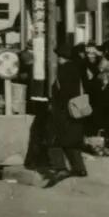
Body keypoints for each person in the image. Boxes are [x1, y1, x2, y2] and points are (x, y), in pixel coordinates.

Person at [46, 44, 89, 186]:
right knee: (73, 141)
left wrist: (54, 101)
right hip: (77, 109)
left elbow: (61, 91)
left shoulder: (63, 70)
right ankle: (79, 168)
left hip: (64, 110)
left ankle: (60, 168)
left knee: (54, 139)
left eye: (58, 56)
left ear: (61, 57)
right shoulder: (77, 68)